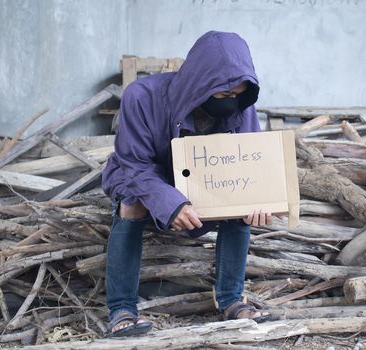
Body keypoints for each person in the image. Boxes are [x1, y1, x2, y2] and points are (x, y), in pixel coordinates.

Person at [101, 31, 273, 337]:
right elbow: (135, 164)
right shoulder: (141, 96)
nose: (230, 101)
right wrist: (170, 202)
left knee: (241, 202)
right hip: (144, 175)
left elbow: (248, 165)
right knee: (131, 202)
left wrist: (258, 200)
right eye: (221, 95)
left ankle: (232, 299)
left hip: (205, 181)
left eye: (237, 93)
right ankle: (122, 308)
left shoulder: (242, 105)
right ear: (199, 84)